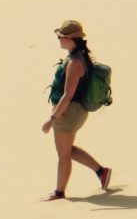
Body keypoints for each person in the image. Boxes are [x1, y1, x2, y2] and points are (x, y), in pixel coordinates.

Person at [41, 19, 111, 201]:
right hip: (73, 111)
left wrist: (52, 118)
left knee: (63, 154)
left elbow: (68, 95)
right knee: (67, 150)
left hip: (68, 112)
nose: (59, 40)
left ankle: (59, 192)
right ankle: (101, 172)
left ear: (72, 39)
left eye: (62, 37)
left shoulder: (75, 63)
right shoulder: (77, 56)